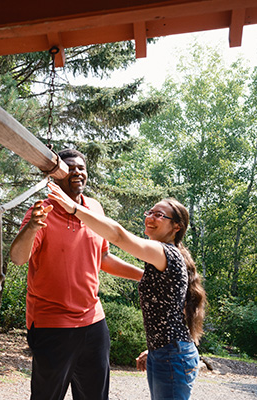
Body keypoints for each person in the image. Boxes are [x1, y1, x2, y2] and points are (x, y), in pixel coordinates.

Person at [47, 181, 207, 400]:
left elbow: (119, 236)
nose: (150, 218)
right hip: (168, 352)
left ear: (176, 227)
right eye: (150, 212)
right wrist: (155, 349)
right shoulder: (167, 257)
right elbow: (172, 313)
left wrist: (74, 209)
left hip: (173, 356)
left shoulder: (165, 253)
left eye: (159, 215)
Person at [10, 148, 144, 400]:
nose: (77, 172)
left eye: (81, 167)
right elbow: (18, 258)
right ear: (55, 176)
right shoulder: (41, 211)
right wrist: (32, 226)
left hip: (94, 322)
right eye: (70, 167)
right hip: (52, 324)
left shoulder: (94, 208)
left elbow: (102, 257)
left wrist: (144, 276)